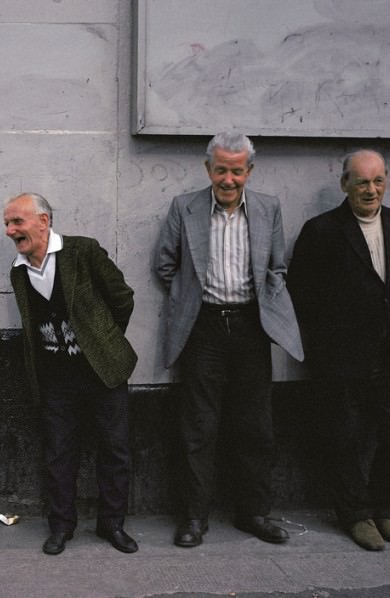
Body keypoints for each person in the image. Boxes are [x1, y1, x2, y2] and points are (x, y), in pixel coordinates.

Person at [153, 132, 304, 548]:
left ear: (249, 172)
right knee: (198, 426)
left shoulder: (268, 208)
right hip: (203, 329)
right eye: (221, 169)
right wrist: (189, 299)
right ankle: (194, 519)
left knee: (255, 426)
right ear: (209, 169)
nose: (229, 179)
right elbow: (165, 263)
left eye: (237, 171)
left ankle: (253, 513)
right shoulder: (184, 207)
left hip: (252, 327)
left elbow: (277, 267)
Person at [287, 149, 390, 551]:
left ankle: (384, 510)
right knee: (341, 437)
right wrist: (329, 341)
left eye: (378, 180)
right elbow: (301, 292)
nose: (371, 189)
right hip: (340, 357)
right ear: (345, 184)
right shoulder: (322, 230)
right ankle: (357, 516)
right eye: (362, 181)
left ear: (387, 181)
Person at [4, 192, 139, 556]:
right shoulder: (19, 272)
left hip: (101, 371)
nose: (10, 231)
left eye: (17, 221)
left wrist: (103, 341)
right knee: (59, 453)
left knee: (115, 449)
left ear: (43, 221)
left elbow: (122, 297)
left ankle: (113, 525)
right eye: (7, 223)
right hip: (55, 378)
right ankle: (61, 526)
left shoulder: (83, 251)